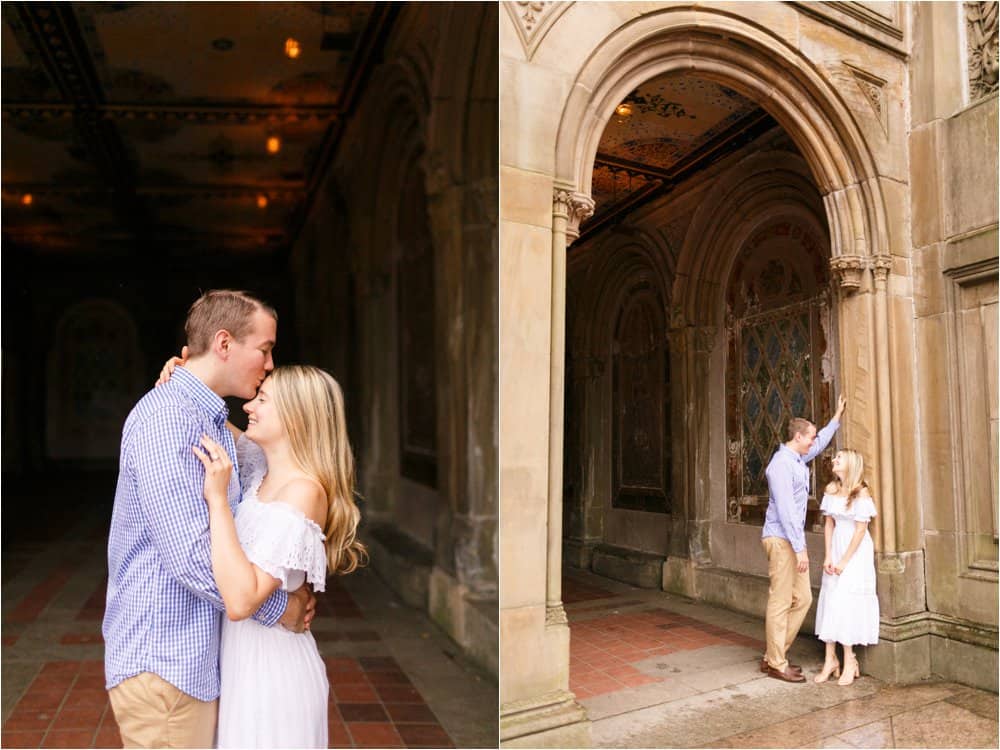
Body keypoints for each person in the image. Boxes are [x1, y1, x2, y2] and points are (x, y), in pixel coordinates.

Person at [103, 290, 315, 749]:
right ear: (224, 344)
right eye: (264, 348)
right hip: (165, 664)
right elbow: (193, 557)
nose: (270, 363)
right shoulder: (168, 421)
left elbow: (270, 479)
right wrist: (282, 608)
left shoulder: (206, 417)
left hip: (194, 662)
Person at [191, 364, 366, 748]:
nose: (249, 406)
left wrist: (218, 500)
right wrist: (186, 377)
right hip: (244, 666)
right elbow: (212, 423)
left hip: (273, 676)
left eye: (262, 399)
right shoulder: (262, 469)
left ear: (295, 417)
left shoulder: (303, 492)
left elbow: (240, 601)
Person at [760, 394, 847, 683]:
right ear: (798, 437)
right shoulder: (780, 466)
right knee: (782, 600)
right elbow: (785, 512)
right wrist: (800, 550)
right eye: (808, 437)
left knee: (804, 598)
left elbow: (820, 442)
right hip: (781, 539)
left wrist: (837, 415)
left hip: (792, 541)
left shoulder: (796, 457)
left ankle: (774, 655)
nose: (812, 442)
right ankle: (775, 661)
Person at [813, 449, 879, 685]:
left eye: (839, 458)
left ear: (850, 464)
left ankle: (850, 659)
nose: (834, 460)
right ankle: (830, 658)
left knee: (845, 600)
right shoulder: (831, 490)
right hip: (837, 547)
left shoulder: (860, 492)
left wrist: (843, 561)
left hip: (855, 553)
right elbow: (829, 524)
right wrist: (829, 555)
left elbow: (861, 530)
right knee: (830, 599)